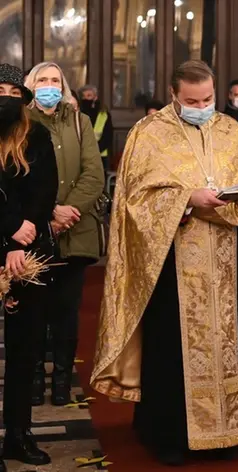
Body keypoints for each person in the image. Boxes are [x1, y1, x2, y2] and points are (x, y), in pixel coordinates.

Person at [90, 60, 238, 465]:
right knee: (171, 348)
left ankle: (230, 431)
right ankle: (169, 435)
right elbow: (135, 200)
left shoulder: (230, 130)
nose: (203, 106)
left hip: (227, 260)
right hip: (172, 260)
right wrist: (187, 199)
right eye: (192, 100)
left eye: (209, 99)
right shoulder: (150, 134)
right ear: (174, 96)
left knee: (229, 342)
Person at [26, 62, 104, 407]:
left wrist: (68, 211)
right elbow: (19, 178)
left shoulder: (79, 121)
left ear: (63, 86)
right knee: (34, 311)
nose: (49, 85)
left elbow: (93, 173)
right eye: (42, 80)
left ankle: (61, 379)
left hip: (77, 232)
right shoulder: (21, 122)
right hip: (33, 233)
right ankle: (33, 380)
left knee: (67, 312)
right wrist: (49, 212)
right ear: (31, 86)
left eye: (55, 80)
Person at [0, 63, 58, 469]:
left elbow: (45, 189)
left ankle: (18, 434)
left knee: (25, 351)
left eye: (11, 90)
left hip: (28, 253)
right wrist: (8, 235)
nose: (5, 96)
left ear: (23, 96)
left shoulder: (37, 134)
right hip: (8, 242)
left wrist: (27, 230)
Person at [79, 85, 113, 173]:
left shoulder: (104, 114)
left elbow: (108, 137)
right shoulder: (78, 114)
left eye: (89, 96)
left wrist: (94, 151)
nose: (86, 99)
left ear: (95, 97)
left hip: (100, 156)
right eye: (84, 96)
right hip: (80, 156)